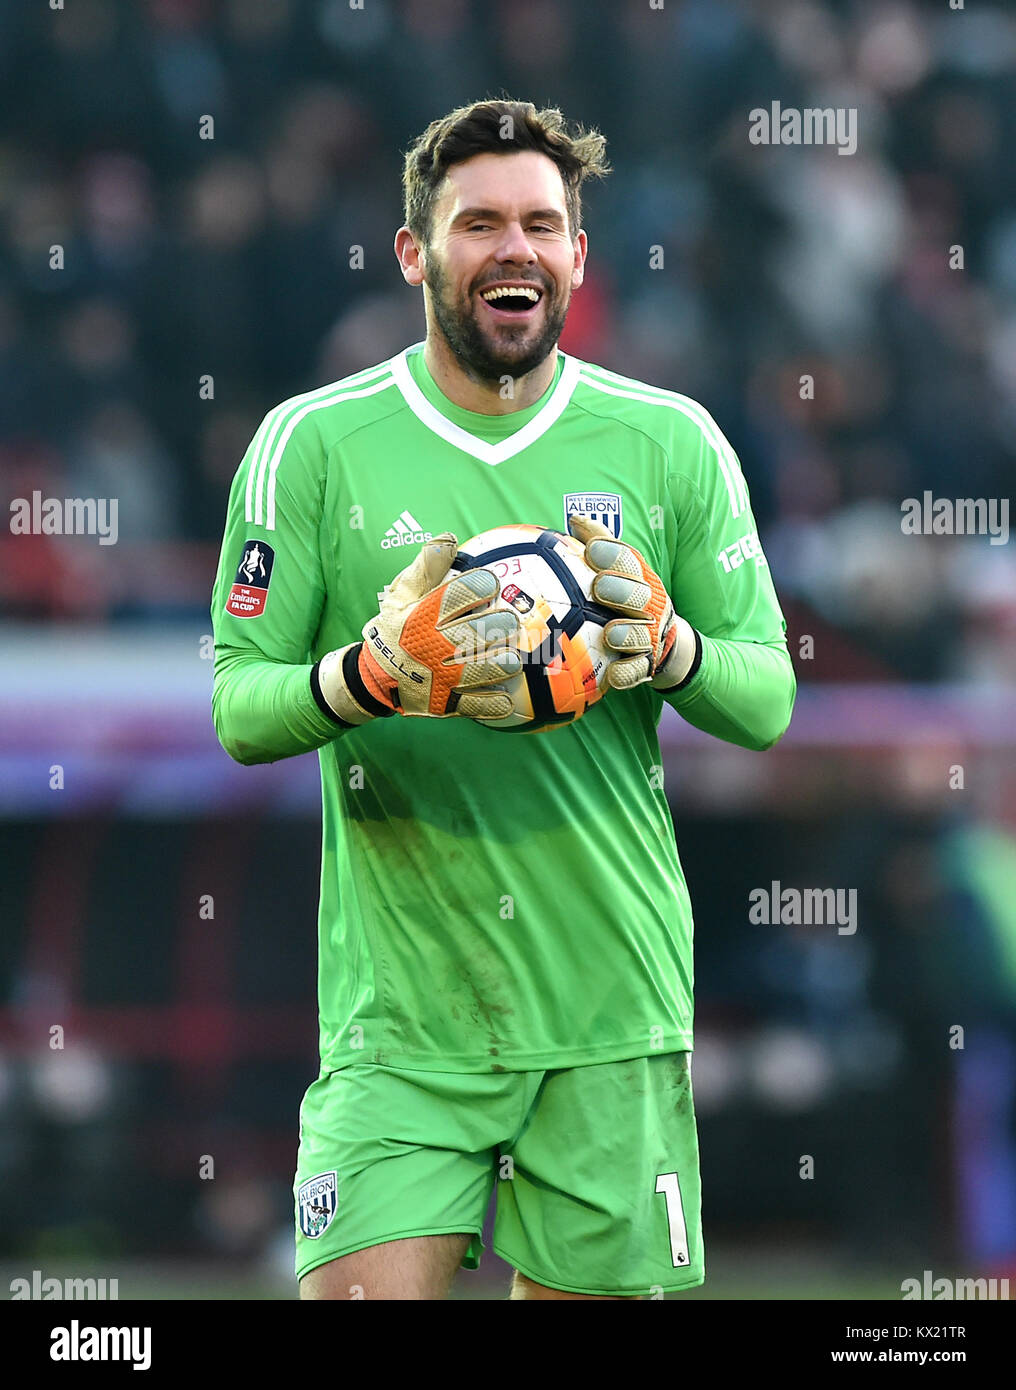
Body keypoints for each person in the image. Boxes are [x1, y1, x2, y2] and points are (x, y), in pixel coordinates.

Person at [210, 98, 796, 1300]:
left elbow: (766, 696)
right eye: (478, 224)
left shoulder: (669, 442)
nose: (513, 247)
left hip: (607, 1008)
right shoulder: (310, 446)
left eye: (541, 223)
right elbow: (237, 704)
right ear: (415, 255)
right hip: (402, 1022)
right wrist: (370, 676)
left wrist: (671, 648)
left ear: (578, 255)